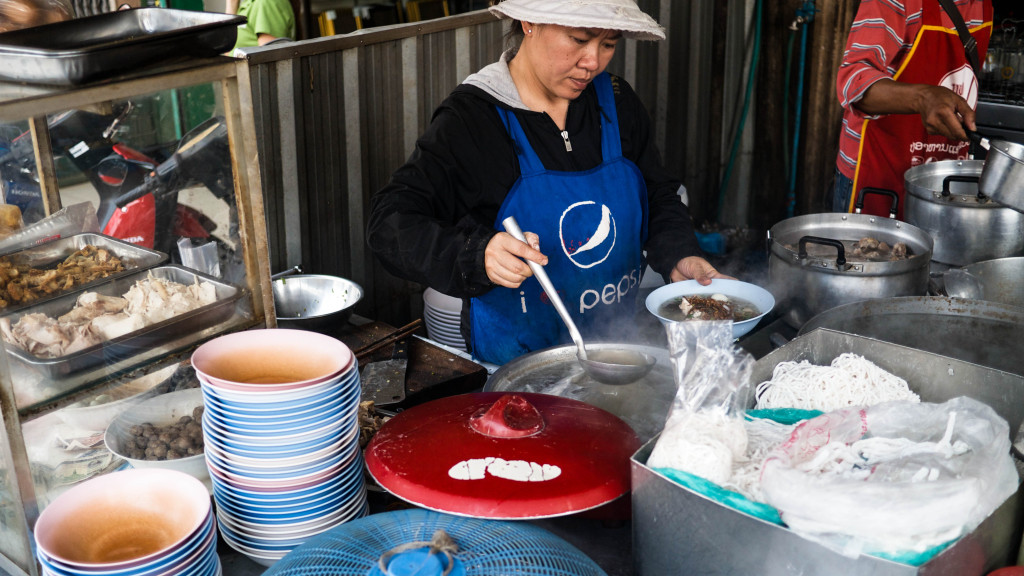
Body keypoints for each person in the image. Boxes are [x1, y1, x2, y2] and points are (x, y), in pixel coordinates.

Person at [366, 0, 728, 365]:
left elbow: (657, 194)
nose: (592, 62)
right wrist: (478, 254)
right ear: (529, 22)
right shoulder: (472, 121)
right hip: (515, 369)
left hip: (615, 354)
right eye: (578, 39)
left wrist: (678, 253)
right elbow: (389, 223)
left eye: (608, 44)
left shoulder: (616, 101)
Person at [833, 0, 992, 219]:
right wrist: (922, 97)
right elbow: (852, 81)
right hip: (877, 170)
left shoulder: (984, 6)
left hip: (941, 176)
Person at [228, 0, 295, 55]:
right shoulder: (249, 3)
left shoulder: (266, 2)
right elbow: (227, 50)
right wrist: (232, 4)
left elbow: (270, 57)